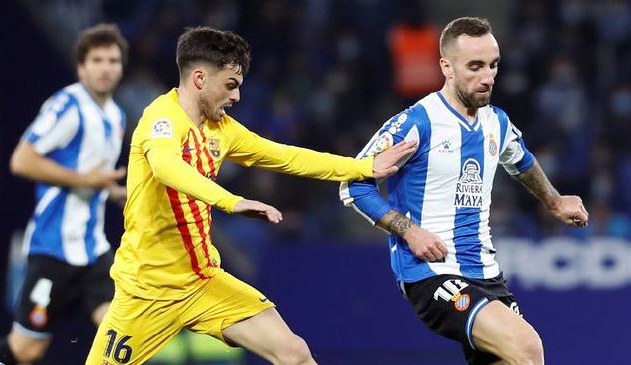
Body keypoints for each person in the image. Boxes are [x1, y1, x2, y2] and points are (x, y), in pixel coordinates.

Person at [84, 26, 415, 365]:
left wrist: (363, 167)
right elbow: (167, 167)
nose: (237, 97)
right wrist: (232, 201)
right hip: (146, 290)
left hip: (203, 282)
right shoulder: (161, 119)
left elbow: (286, 156)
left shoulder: (221, 129)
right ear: (199, 78)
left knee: (295, 353)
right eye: (230, 85)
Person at [340, 17, 589, 365]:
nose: (487, 77)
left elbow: (521, 160)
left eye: (493, 65)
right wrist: (408, 230)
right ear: (446, 66)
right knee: (528, 348)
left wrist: (554, 200)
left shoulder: (496, 122)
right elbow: (353, 184)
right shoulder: (416, 123)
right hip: (431, 273)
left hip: (487, 274)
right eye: (475, 66)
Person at [0, 24, 129, 365]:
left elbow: (91, 175)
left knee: (119, 333)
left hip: (94, 250)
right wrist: (87, 180)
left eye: (112, 60)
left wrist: (112, 192)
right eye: (97, 60)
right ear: (81, 67)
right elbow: (22, 160)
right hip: (53, 248)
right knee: (26, 350)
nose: (105, 67)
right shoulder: (67, 106)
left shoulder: (116, 116)